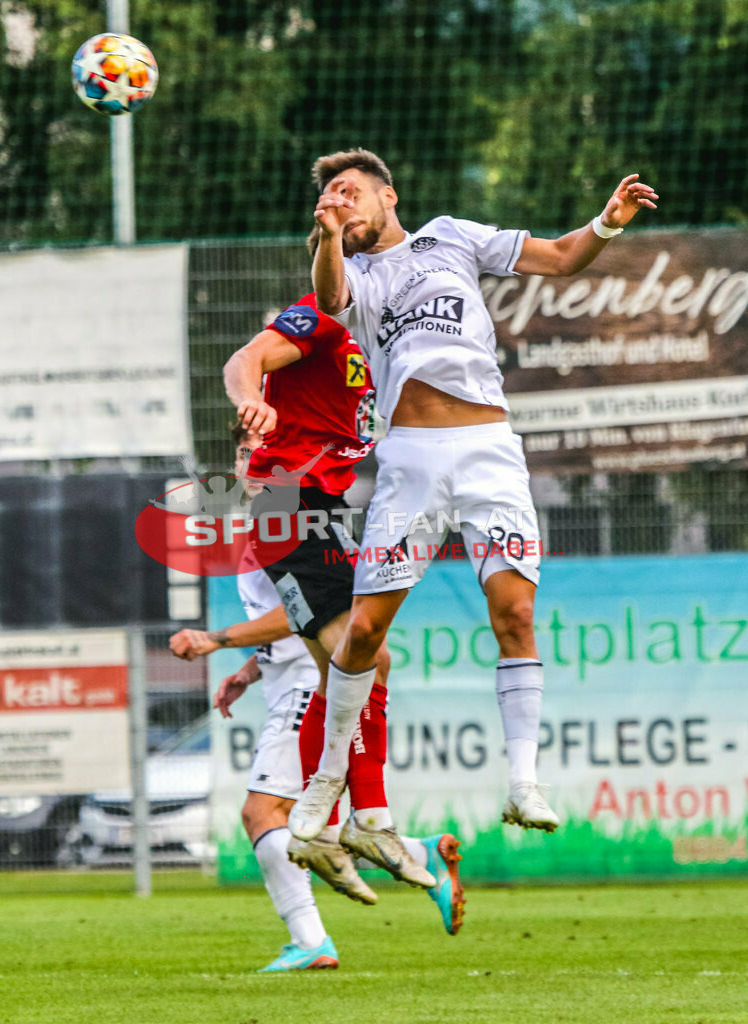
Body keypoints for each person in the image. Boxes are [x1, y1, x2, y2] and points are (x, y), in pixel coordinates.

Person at [288, 148, 659, 844]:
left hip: (490, 452)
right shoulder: (350, 270)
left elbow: (559, 258)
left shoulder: (450, 236)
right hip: (412, 460)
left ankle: (524, 784)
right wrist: (331, 235)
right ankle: (328, 777)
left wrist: (608, 222)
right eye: (328, 195)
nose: (337, 201)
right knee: (364, 632)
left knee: (516, 613)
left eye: (349, 190)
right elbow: (331, 299)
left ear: (388, 195)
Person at [223, 286, 445, 891]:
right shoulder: (324, 318)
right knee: (364, 656)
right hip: (288, 505)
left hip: (320, 508)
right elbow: (245, 358)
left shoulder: (383, 342)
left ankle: (325, 829)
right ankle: (365, 819)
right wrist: (250, 400)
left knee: (349, 671)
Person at [170, 567, 466, 969]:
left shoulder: (278, 532)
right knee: (306, 828)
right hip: (299, 685)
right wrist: (250, 670)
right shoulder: (262, 539)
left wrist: (215, 639)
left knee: (263, 814)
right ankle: (421, 854)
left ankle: (310, 941)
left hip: (312, 688)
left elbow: (311, 603)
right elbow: (302, 619)